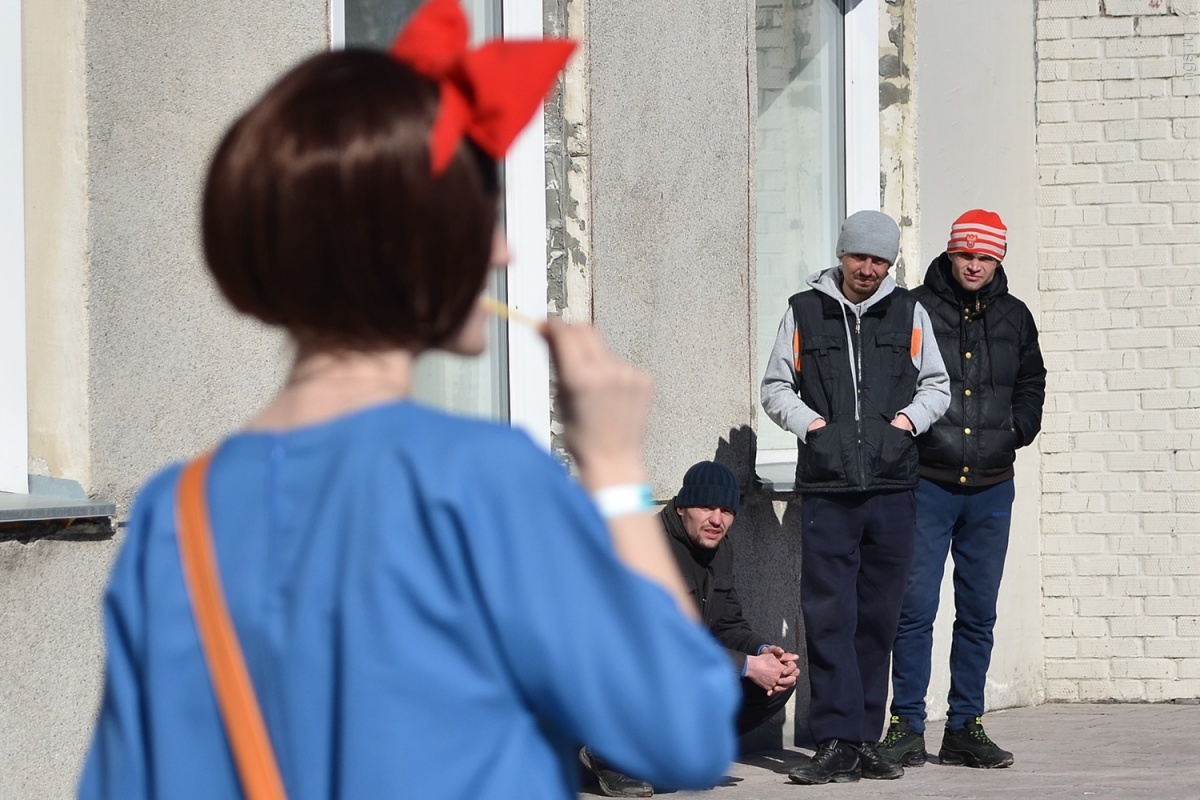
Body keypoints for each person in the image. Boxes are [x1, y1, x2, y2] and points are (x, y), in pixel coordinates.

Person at [77, 2, 739, 797]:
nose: (502, 249)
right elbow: (687, 730)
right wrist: (617, 469)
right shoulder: (485, 481)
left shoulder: (173, 514)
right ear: (411, 244)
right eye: (479, 218)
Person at [760, 210, 950, 785]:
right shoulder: (803, 310)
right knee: (829, 615)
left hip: (893, 489)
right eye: (859, 257)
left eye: (879, 260)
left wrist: (903, 426)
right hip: (827, 489)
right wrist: (815, 427)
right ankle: (834, 738)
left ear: (890, 263)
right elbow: (775, 387)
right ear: (841, 255)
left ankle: (866, 738)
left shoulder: (911, 311)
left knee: (878, 618)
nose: (867, 269)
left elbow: (936, 385)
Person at [878, 210, 1046, 770]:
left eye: (985, 257)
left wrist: (1018, 430)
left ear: (998, 260)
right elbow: (891, 378)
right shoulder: (913, 309)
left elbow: (1031, 380)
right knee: (915, 607)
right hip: (926, 480)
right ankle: (905, 724)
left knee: (978, 611)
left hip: (992, 486)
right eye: (965, 255)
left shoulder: (1016, 316)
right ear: (950, 255)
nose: (974, 265)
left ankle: (964, 726)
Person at [580, 460, 801, 798]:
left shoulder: (719, 548)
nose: (717, 519)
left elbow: (728, 623)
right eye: (706, 506)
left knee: (777, 682)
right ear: (682, 506)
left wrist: (764, 653)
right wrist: (747, 665)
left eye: (727, 510)